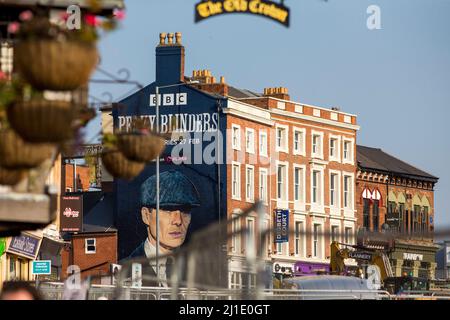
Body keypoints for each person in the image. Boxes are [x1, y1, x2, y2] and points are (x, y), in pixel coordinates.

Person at [125, 170, 201, 286]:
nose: (178, 221)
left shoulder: (199, 272)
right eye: (168, 210)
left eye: (185, 211)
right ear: (146, 216)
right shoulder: (124, 270)